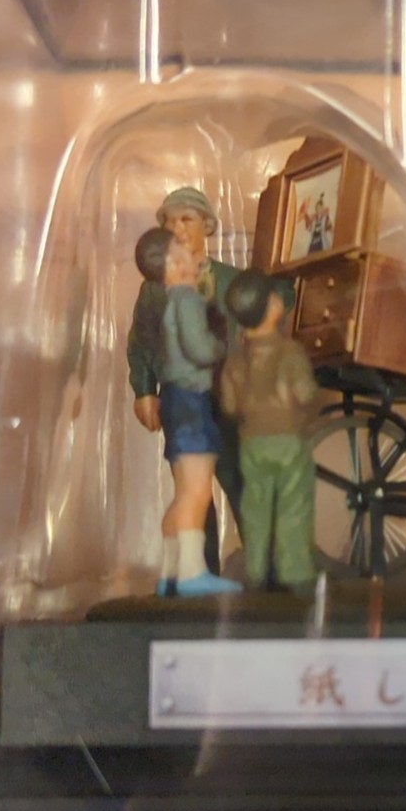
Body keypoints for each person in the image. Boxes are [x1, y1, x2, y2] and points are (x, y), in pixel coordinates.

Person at [127, 185, 295, 567]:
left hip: (229, 399)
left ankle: (266, 565)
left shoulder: (232, 280)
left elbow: (279, 300)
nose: (177, 228)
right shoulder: (154, 291)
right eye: (169, 222)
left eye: (186, 219)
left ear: (207, 225)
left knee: (242, 480)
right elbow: (141, 342)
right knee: (193, 490)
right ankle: (198, 571)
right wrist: (144, 390)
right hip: (183, 400)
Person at [133, 227, 241, 596]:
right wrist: (220, 345)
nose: (195, 260)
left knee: (183, 493)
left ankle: (171, 573)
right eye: (185, 255)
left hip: (176, 401)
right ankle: (193, 573)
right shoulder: (189, 301)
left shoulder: (167, 303)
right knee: (197, 492)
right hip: (193, 403)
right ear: (176, 265)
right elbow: (199, 348)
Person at [220, 269, 319, 593]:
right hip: (288, 440)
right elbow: (305, 393)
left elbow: (229, 405)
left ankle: (256, 570)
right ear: (272, 307)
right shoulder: (290, 353)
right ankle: (294, 571)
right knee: (293, 504)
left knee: (255, 507)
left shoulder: (235, 361)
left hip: (251, 442)